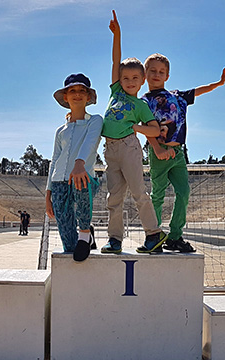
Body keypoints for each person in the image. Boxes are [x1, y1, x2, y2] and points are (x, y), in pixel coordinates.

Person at [142, 53, 225, 252]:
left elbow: (198, 91)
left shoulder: (177, 95)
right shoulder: (144, 101)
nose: (157, 75)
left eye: (161, 72)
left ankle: (175, 236)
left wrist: (218, 83)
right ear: (145, 74)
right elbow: (147, 128)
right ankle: (153, 235)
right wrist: (156, 149)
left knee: (184, 192)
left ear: (167, 75)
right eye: (153, 71)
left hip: (178, 153)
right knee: (158, 194)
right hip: (159, 153)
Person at [100, 10, 167, 254]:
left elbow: (154, 129)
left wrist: (136, 128)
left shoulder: (140, 105)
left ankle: (153, 234)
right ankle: (115, 239)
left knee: (139, 192)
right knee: (113, 197)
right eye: (125, 77)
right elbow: (115, 61)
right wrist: (117, 36)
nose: (129, 81)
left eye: (135, 78)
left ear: (141, 82)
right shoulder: (116, 92)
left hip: (129, 147)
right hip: (110, 150)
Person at [46, 73, 102, 262]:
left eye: (81, 90)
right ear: (66, 97)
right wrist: (48, 193)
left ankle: (85, 232)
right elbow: (54, 159)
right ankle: (79, 241)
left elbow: (90, 143)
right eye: (72, 91)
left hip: (83, 178)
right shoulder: (60, 131)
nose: (77, 94)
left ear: (88, 97)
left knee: (80, 179)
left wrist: (79, 164)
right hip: (58, 181)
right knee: (69, 243)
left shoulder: (95, 121)